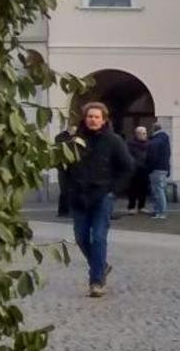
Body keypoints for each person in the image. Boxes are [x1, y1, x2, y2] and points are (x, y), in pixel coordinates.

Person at [64, 102, 133, 297]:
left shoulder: (114, 141)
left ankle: (96, 281)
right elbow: (65, 167)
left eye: (97, 117)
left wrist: (113, 191)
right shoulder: (75, 142)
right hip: (79, 195)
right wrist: (68, 189)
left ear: (103, 120)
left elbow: (127, 167)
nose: (93, 120)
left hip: (102, 195)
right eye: (90, 116)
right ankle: (101, 266)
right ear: (84, 119)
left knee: (99, 237)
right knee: (81, 237)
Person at [146, 123, 171, 220]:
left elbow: (152, 156)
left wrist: (149, 167)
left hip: (156, 168)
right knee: (161, 190)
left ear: (153, 129)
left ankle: (160, 212)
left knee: (157, 190)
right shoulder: (165, 139)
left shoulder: (156, 140)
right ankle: (159, 210)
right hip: (164, 167)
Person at [125, 126, 150, 216]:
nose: (144, 135)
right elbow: (127, 156)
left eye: (145, 133)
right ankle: (131, 207)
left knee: (143, 189)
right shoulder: (130, 144)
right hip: (134, 170)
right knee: (133, 189)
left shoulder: (148, 144)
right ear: (137, 134)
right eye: (142, 133)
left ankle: (141, 207)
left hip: (144, 169)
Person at [54, 125, 77, 218]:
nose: (74, 131)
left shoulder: (77, 136)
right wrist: (71, 141)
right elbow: (60, 145)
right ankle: (62, 211)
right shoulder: (61, 136)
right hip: (63, 167)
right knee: (64, 190)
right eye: (73, 129)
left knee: (72, 190)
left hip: (73, 167)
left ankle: (70, 211)